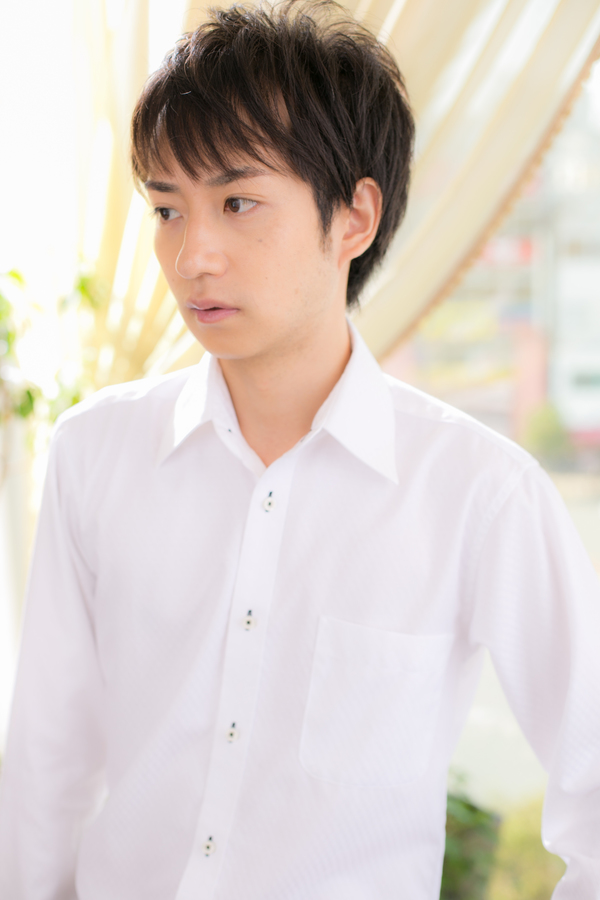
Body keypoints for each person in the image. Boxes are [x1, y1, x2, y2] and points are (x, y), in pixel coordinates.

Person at [1, 1, 599, 897]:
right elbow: (46, 774)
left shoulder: (478, 492)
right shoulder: (96, 452)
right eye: (167, 209)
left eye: (237, 203)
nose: (193, 255)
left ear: (354, 218)